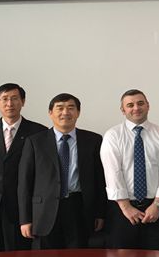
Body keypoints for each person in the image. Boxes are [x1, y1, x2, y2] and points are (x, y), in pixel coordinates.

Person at [18, 93, 105, 249]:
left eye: (71, 108)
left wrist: (100, 213)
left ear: (78, 113)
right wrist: (25, 219)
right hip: (44, 211)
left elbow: (100, 179)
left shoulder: (93, 140)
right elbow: (25, 182)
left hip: (80, 208)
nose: (65, 112)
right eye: (60, 108)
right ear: (50, 113)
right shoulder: (35, 141)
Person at [0, 83, 47, 252]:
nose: (9, 103)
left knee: (18, 256)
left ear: (23, 101)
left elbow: (39, 172)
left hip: (21, 206)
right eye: (4, 99)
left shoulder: (38, 131)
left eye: (14, 98)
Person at [100, 89, 159, 250]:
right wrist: (126, 207)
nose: (136, 108)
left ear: (148, 106)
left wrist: (157, 205)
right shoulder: (113, 135)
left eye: (140, 103)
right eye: (130, 105)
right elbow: (112, 172)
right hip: (121, 208)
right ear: (123, 110)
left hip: (155, 208)